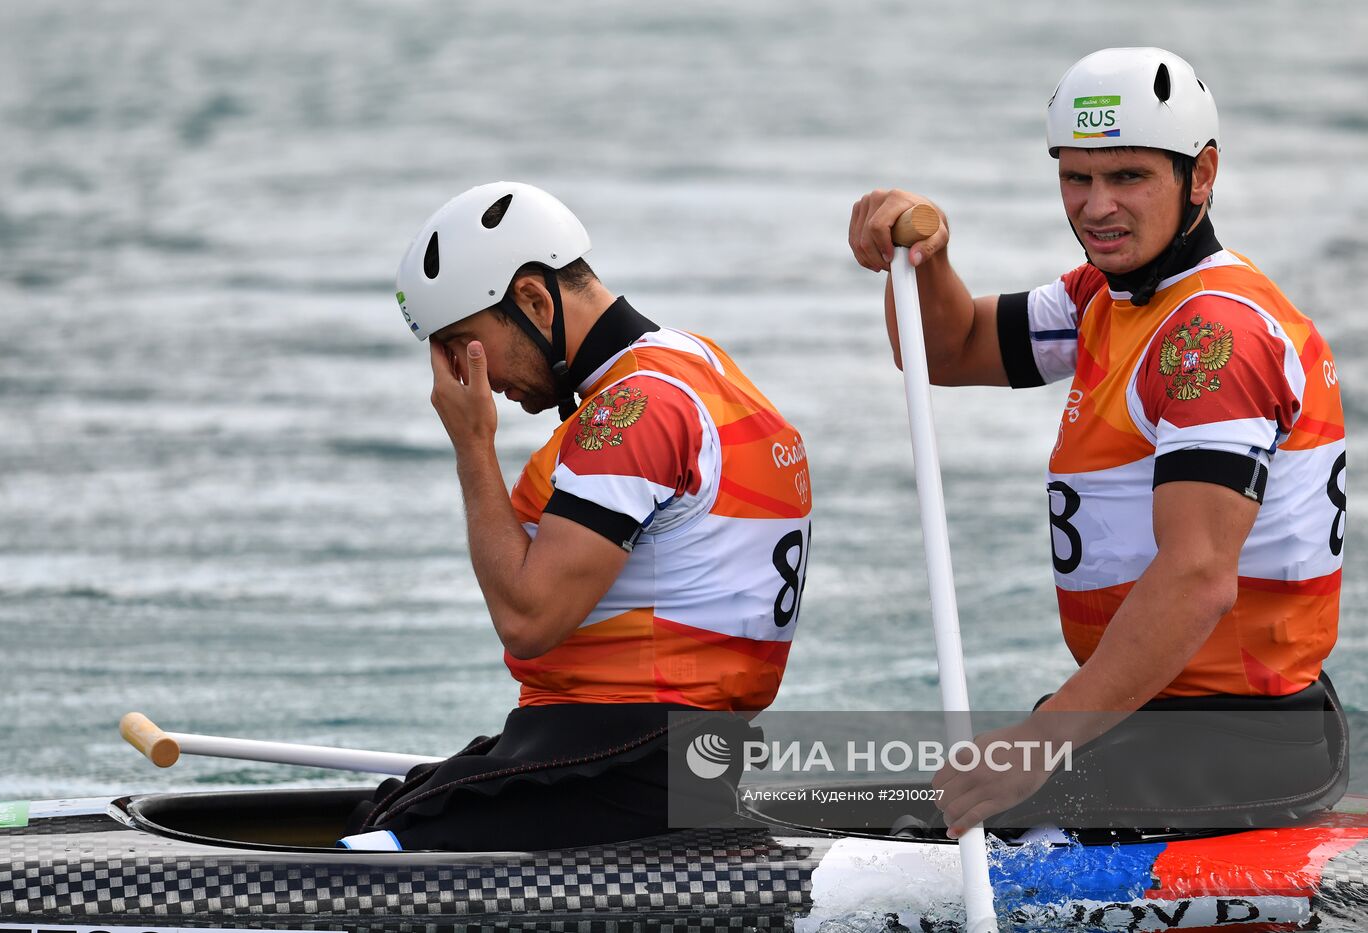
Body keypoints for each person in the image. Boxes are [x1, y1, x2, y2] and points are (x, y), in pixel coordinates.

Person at [848, 48, 1347, 834]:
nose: (1095, 206)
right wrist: (928, 258)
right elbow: (947, 347)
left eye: (1128, 177)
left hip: (1235, 737)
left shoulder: (1208, 339)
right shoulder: (1106, 298)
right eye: (1075, 177)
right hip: (1158, 714)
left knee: (912, 827)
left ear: (1202, 175)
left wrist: (1038, 745)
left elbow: (1197, 576)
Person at [339, 182, 812, 851]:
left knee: (384, 839)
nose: (459, 377)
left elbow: (529, 620)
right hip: (690, 759)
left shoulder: (633, 409)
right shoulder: (698, 363)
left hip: (632, 761)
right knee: (389, 807)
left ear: (532, 299)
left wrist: (473, 444)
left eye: (463, 345)